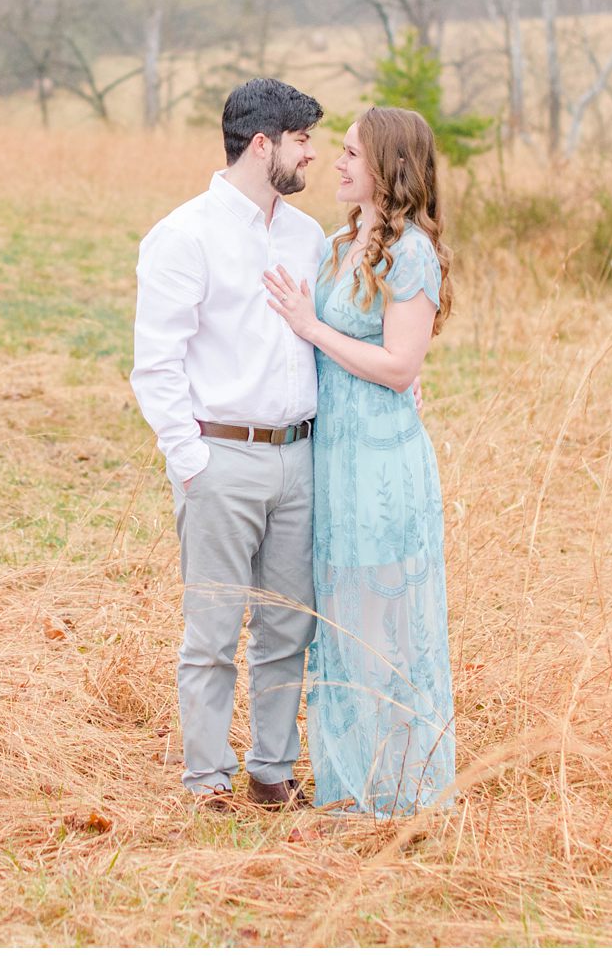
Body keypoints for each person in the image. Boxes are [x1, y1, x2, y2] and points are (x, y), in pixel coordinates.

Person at [129, 78, 330, 810]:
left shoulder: (309, 238)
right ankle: (206, 780)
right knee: (212, 631)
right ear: (262, 144)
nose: (313, 154)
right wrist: (193, 463)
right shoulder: (184, 235)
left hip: (300, 455)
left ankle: (273, 771)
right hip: (222, 456)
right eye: (301, 140)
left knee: (288, 625)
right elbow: (156, 363)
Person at [262, 106, 457, 818]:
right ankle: (348, 786)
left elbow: (402, 366)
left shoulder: (412, 254)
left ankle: (398, 791)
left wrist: (313, 326)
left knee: (383, 626)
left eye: (350, 153)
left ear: (386, 166)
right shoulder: (340, 242)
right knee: (340, 621)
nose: (336, 163)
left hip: (380, 462)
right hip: (332, 456)